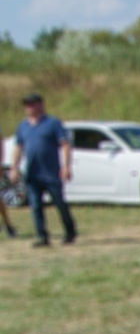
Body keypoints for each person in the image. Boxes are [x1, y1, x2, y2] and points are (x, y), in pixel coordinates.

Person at [10, 93, 76, 247]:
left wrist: (66, 166)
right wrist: (14, 167)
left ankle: (69, 232)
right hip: (33, 173)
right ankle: (42, 236)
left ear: (40, 105)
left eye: (32, 104)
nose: (29, 108)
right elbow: (18, 147)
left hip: (51, 172)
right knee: (35, 205)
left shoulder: (52, 123)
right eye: (27, 105)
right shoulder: (23, 126)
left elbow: (65, 145)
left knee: (59, 203)